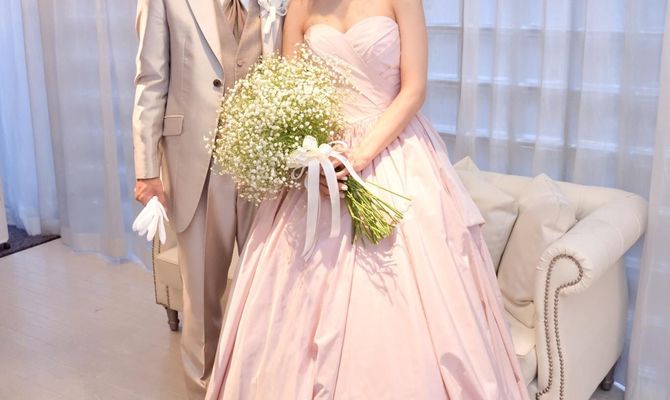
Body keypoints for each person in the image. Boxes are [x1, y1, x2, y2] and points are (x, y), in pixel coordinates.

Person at [205, 0, 529, 398]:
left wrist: (358, 157)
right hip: (324, 162)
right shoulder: (301, 7)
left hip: (394, 152)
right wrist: (313, 161)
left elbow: (414, 90)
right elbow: (294, 98)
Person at [131, 0, 279, 398]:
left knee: (269, 291)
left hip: (267, 164)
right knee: (200, 299)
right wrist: (146, 169)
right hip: (196, 163)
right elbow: (150, 78)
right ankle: (203, 390)